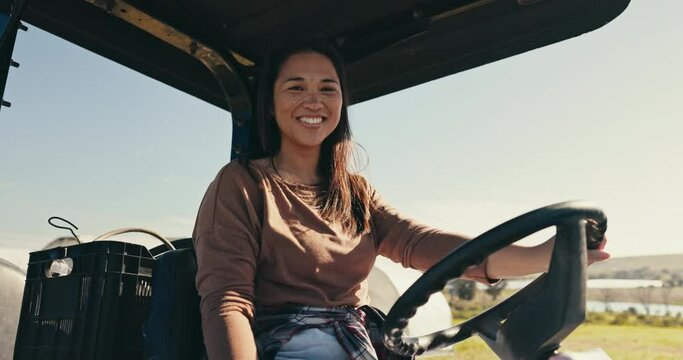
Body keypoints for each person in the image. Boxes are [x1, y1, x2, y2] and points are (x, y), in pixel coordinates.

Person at [192, 41, 610, 360]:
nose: (313, 100)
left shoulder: (355, 193)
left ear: (341, 102)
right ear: (270, 104)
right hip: (285, 345)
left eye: (327, 88)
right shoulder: (243, 185)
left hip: (356, 343)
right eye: (295, 87)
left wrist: (546, 255)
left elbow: (423, 244)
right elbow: (227, 302)